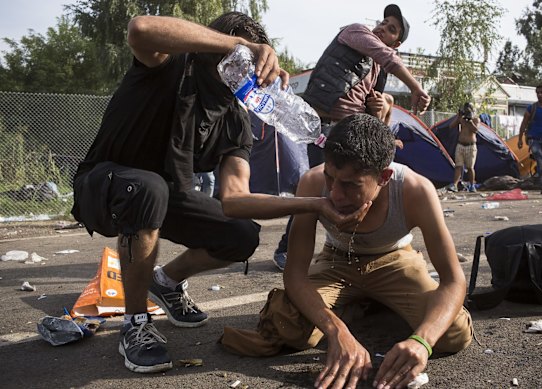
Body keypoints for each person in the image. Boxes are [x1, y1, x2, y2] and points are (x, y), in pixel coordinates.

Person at [71, 12, 367, 374]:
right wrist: (238, 45)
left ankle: (164, 282)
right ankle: (134, 324)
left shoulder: (233, 115)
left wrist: (315, 203)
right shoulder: (170, 65)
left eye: (248, 61)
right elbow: (140, 28)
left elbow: (234, 199)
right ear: (210, 43)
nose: (239, 65)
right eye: (234, 52)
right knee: (148, 189)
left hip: (166, 195)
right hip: (105, 183)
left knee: (240, 235)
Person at [221, 114, 473, 389]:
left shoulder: (415, 190)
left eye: (351, 185)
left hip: (395, 260)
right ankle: (355, 310)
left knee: (451, 333)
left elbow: (452, 280)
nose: (336, 194)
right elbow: (294, 275)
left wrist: (421, 342)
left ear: (384, 177)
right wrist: (336, 331)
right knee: (285, 323)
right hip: (336, 261)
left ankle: (372, 305)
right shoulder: (312, 182)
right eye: (331, 178)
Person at [273, 3, 430, 269]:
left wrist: (383, 107)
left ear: (397, 42)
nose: (382, 28)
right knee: (314, 188)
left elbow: (374, 107)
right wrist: (416, 88)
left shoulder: (378, 69)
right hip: (320, 126)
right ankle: (286, 250)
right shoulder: (355, 32)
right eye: (383, 22)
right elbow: (387, 56)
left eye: (391, 29)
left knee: (353, 191)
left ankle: (355, 249)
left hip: (348, 133)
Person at [447, 102, 479, 192]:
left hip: (471, 146)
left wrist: (470, 121)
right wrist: (459, 117)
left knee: (470, 167)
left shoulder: (476, 120)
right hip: (460, 145)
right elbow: (451, 126)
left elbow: (476, 130)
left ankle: (472, 185)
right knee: (458, 166)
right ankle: (455, 185)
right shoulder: (461, 119)